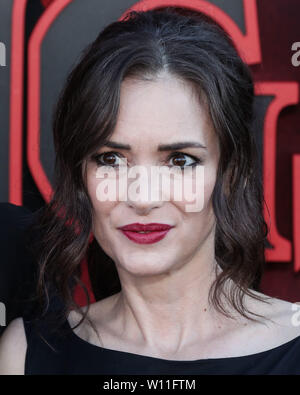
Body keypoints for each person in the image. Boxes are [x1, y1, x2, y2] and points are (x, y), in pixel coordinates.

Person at [1, 7, 300, 375]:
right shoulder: (26, 354)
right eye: (110, 159)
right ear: (81, 175)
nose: (142, 198)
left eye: (179, 161)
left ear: (229, 172)